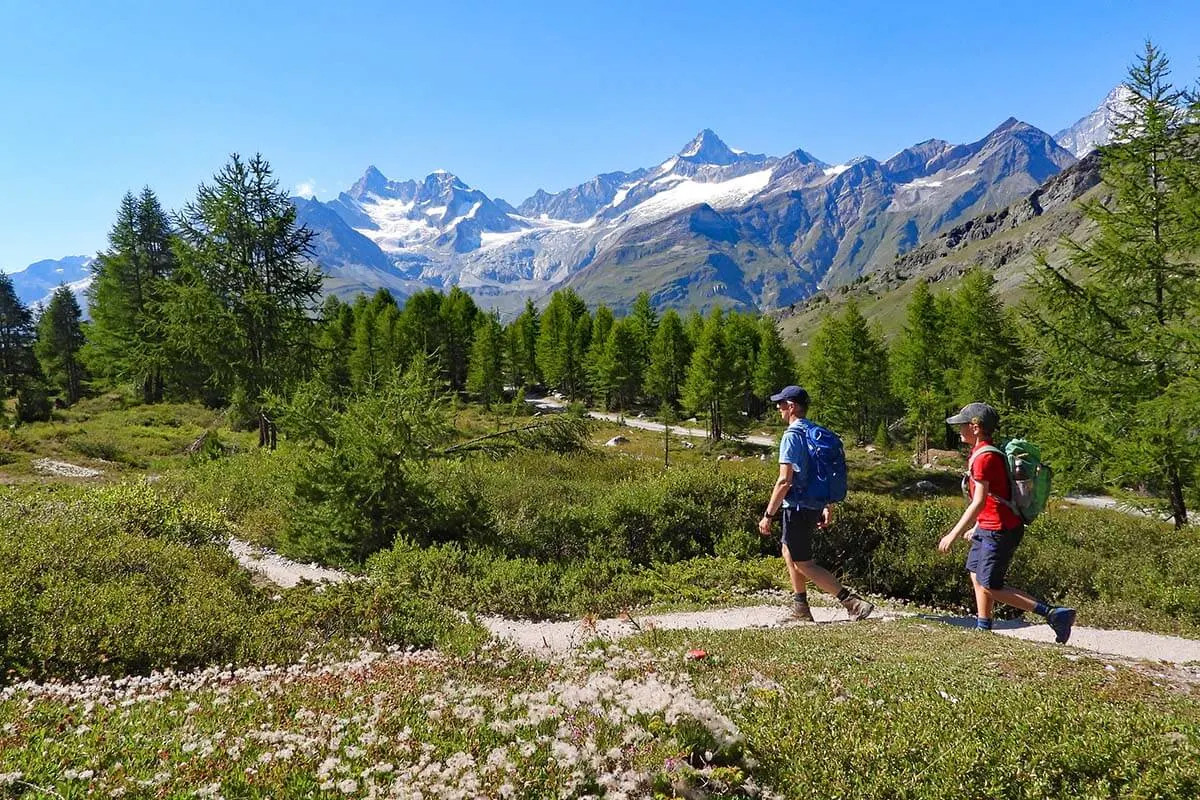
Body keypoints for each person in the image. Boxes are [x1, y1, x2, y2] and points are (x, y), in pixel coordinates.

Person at [937, 402, 1076, 642]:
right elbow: (996, 497)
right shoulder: (982, 452)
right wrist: (977, 526)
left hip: (1000, 530)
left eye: (963, 425)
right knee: (974, 572)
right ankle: (983, 626)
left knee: (991, 584)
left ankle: (1054, 614)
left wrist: (953, 533)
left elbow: (979, 501)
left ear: (976, 427)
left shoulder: (985, 457)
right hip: (988, 526)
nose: (959, 430)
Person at [758, 385, 874, 622]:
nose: (778, 409)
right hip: (811, 505)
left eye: (781, 404)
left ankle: (852, 602)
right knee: (788, 550)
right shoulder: (813, 431)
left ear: (792, 406)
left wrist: (768, 514)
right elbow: (822, 473)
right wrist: (826, 505)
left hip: (797, 507)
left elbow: (784, 480)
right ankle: (800, 607)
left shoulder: (792, 436)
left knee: (804, 563)